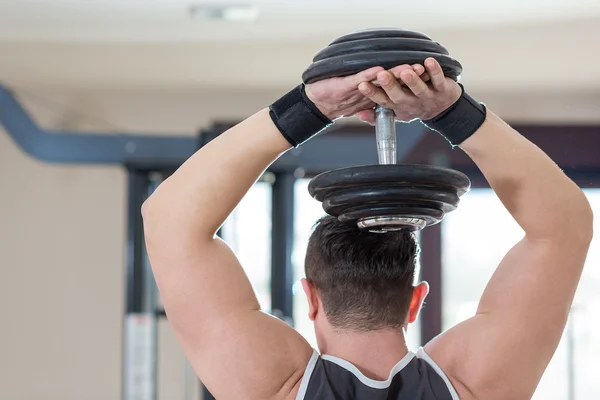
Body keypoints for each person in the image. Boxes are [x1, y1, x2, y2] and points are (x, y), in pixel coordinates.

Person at [141, 57, 593, 400]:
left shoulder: (277, 385)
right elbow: (564, 225)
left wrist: (310, 108)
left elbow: (169, 220)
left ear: (311, 297)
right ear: (415, 301)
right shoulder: (468, 384)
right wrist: (451, 110)